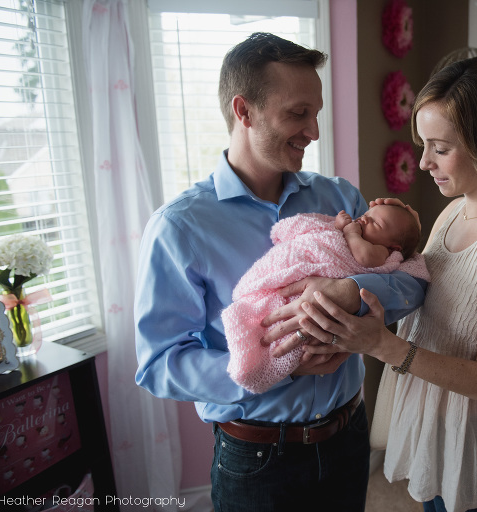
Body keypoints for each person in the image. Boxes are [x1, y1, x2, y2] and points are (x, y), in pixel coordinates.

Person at [133, 32, 427, 512]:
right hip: (256, 462)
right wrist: (274, 370)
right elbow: (158, 364)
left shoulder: (340, 199)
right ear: (243, 111)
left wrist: (349, 290)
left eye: (316, 113)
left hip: (348, 436)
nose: (313, 131)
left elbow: (411, 280)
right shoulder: (179, 228)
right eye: (297, 114)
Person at [291, 55, 477, 512]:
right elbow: (427, 302)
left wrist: (381, 345)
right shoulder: (453, 211)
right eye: (423, 144)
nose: (421, 163)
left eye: (440, 147)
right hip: (436, 436)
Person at [223, 204, 429, 394]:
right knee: (259, 314)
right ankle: (252, 353)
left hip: (347, 414)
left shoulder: (380, 251)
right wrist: (337, 226)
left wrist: (349, 290)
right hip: (250, 425)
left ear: (394, 248)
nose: (364, 219)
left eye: (375, 222)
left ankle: (257, 360)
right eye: (366, 215)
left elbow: (368, 260)